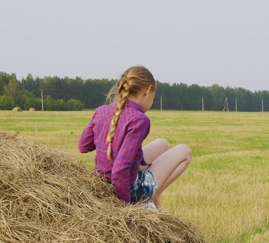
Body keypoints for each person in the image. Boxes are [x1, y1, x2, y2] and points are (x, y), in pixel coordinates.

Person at [78, 66, 191, 211]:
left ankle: (156, 204)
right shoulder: (139, 120)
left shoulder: (101, 111)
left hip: (102, 182)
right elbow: (119, 170)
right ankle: (148, 198)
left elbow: (83, 146)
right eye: (153, 97)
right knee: (185, 151)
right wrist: (125, 208)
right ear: (147, 91)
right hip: (128, 189)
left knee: (163, 144)